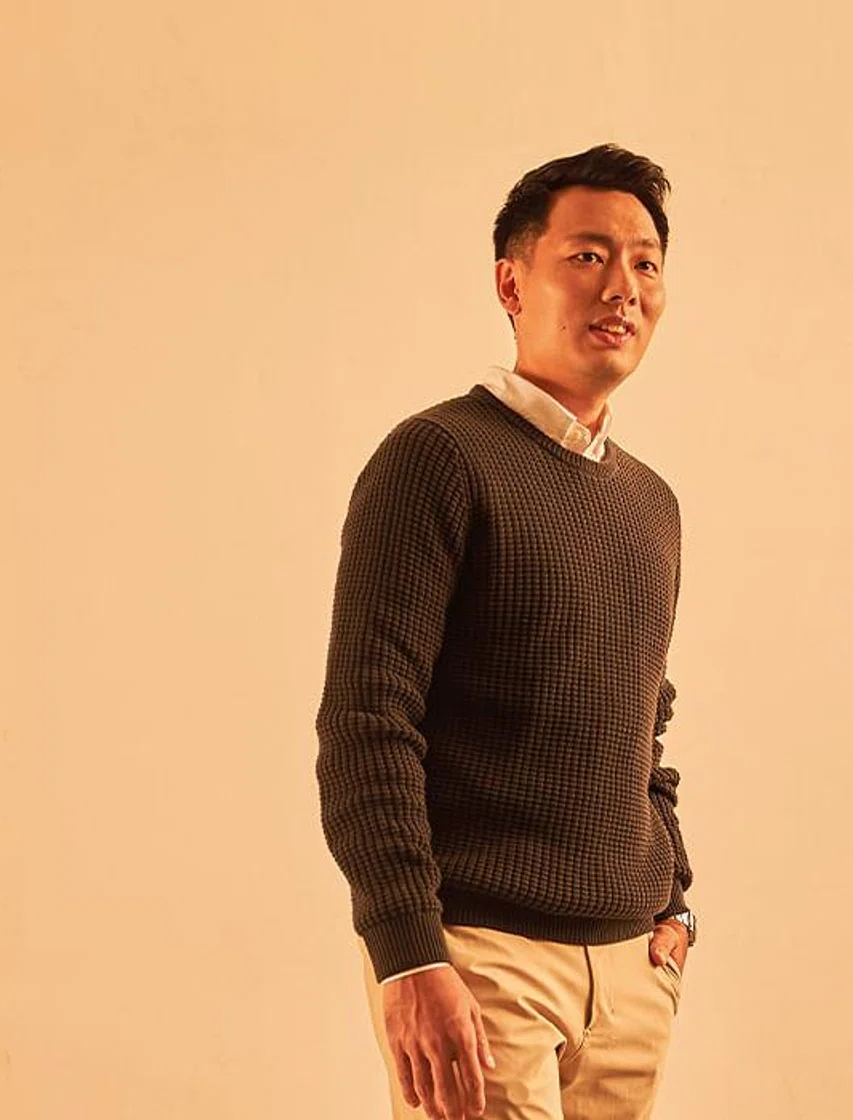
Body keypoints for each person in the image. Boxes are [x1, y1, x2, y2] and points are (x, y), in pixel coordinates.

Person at [315, 143, 698, 1120]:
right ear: (511, 282)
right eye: (588, 255)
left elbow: (643, 726)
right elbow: (366, 723)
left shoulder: (651, 504)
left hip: (631, 969)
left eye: (645, 262)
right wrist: (407, 954)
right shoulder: (437, 459)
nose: (622, 287)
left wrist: (675, 899)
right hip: (480, 958)